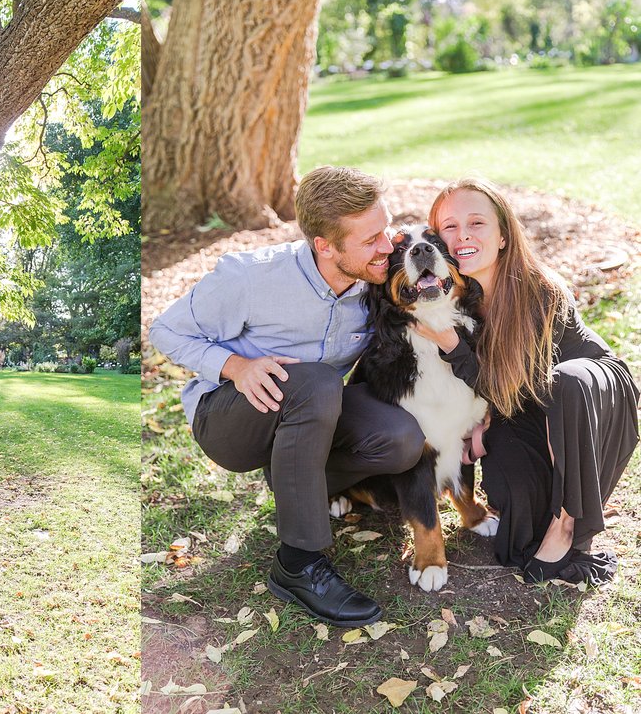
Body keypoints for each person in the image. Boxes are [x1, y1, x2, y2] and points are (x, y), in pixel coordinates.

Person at [149, 166, 426, 627]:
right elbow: (165, 330)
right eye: (371, 239)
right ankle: (298, 563)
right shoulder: (251, 279)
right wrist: (236, 367)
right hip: (231, 419)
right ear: (325, 246)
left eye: (387, 228)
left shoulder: (374, 282)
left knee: (401, 439)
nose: (388, 246)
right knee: (317, 381)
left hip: (312, 414)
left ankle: (295, 482)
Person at [416, 178, 639, 584]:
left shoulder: (540, 290)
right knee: (514, 527)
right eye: (449, 226)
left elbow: (526, 384)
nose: (462, 234)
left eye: (477, 222)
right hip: (525, 406)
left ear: (503, 236)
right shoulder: (457, 296)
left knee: (565, 381)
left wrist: (452, 344)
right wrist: (481, 427)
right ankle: (544, 511)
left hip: (588, 396)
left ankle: (569, 524)